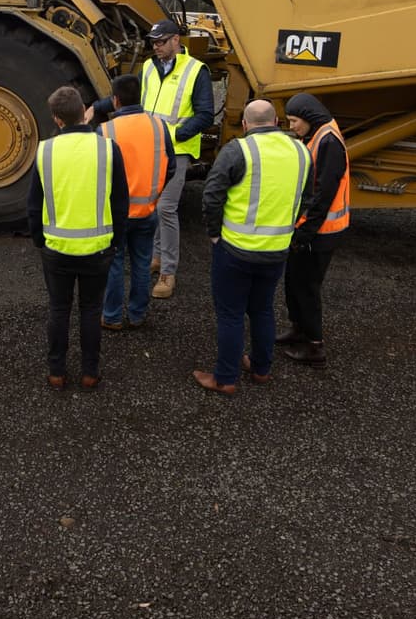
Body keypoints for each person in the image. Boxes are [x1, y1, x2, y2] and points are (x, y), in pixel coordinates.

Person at [193, 100, 309, 395]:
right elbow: (307, 199)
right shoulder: (301, 152)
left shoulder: (238, 150)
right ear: (277, 122)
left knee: (230, 314)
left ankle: (225, 378)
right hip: (276, 251)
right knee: (262, 309)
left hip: (235, 250)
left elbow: (212, 195)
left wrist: (214, 234)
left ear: (245, 125)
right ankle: (260, 368)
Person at [94, 20, 212, 301]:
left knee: (167, 209)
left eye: (161, 42)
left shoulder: (196, 70)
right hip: (149, 147)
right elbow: (131, 101)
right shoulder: (148, 67)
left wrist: (176, 136)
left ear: (176, 40)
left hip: (177, 148)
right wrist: (95, 108)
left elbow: (205, 114)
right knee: (153, 205)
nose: (156, 47)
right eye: (154, 43)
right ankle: (157, 257)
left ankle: (168, 273)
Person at [26, 85, 128, 390]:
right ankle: (89, 372)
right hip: (97, 249)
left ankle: (56, 371)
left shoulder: (44, 150)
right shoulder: (108, 149)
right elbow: (120, 201)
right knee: (91, 310)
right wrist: (116, 241)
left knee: (59, 309)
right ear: (83, 111)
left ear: (57, 120)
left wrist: (39, 241)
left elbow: (34, 203)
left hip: (56, 249)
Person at [97, 72, 172, 332]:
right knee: (141, 263)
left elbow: (98, 172)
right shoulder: (159, 126)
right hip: (147, 211)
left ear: (115, 100)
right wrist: (155, 192)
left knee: (115, 263)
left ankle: (112, 316)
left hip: (116, 213)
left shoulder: (106, 130)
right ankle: (137, 315)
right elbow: (170, 166)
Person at [280, 92, 351, 366]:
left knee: (307, 287)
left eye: (294, 121)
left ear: (308, 117)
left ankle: (314, 347)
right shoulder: (319, 135)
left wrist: (305, 233)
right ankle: (299, 329)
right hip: (314, 229)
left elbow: (322, 194)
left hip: (321, 232)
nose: (292, 127)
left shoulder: (329, 142)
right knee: (294, 282)